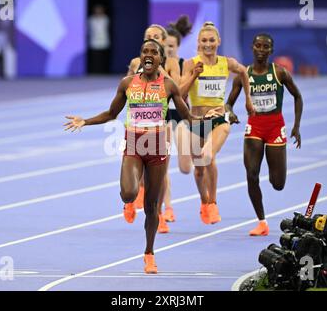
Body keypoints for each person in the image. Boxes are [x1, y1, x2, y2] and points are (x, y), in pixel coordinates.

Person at [64, 39, 220, 274]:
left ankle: (149, 253)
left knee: (151, 207)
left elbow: (187, 117)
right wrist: (85, 121)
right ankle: (128, 202)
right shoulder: (128, 83)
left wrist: (210, 119)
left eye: (153, 52)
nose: (149, 55)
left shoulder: (169, 86)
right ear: (141, 56)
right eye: (145, 51)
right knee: (129, 192)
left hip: (157, 149)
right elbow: (111, 113)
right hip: (134, 146)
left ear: (160, 59)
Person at [226, 33, 303, 236]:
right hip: (255, 127)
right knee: (251, 174)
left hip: (276, 126)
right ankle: (261, 222)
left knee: (278, 184)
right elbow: (228, 103)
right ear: (252, 47)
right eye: (258, 46)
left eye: (265, 47)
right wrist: (230, 113)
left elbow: (297, 96)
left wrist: (296, 126)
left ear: (271, 51)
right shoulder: (244, 74)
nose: (261, 50)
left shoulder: (279, 72)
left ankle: (274, 169)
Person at [180, 22, 254, 225]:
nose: (208, 44)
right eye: (204, 40)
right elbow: (180, 93)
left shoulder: (227, 63)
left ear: (218, 41)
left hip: (219, 119)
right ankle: (204, 202)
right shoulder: (189, 63)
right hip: (196, 121)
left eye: (212, 40)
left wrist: (246, 99)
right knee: (199, 169)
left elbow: (244, 72)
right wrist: (194, 75)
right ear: (198, 43)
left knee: (208, 155)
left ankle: (213, 202)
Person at [126, 24, 182, 234]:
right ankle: (131, 200)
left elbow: (178, 91)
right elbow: (126, 89)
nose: (152, 39)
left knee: (161, 171)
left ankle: (159, 213)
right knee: (137, 170)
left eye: (156, 37)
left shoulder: (172, 63)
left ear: (163, 40)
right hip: (137, 123)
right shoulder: (135, 63)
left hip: (163, 121)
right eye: (148, 37)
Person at [160, 15, 193, 224]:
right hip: (163, 115)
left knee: (185, 167)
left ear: (178, 46)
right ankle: (168, 207)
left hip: (180, 115)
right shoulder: (155, 65)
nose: (169, 49)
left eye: (172, 46)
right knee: (162, 164)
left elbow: (179, 92)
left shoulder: (184, 64)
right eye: (166, 45)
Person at [88, 4, 110, 74]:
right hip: (94, 41)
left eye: (100, 10)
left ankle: (103, 71)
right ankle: (94, 71)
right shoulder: (91, 19)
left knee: (103, 58)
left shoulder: (105, 18)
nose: (98, 11)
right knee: (95, 58)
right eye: (97, 10)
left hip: (103, 41)